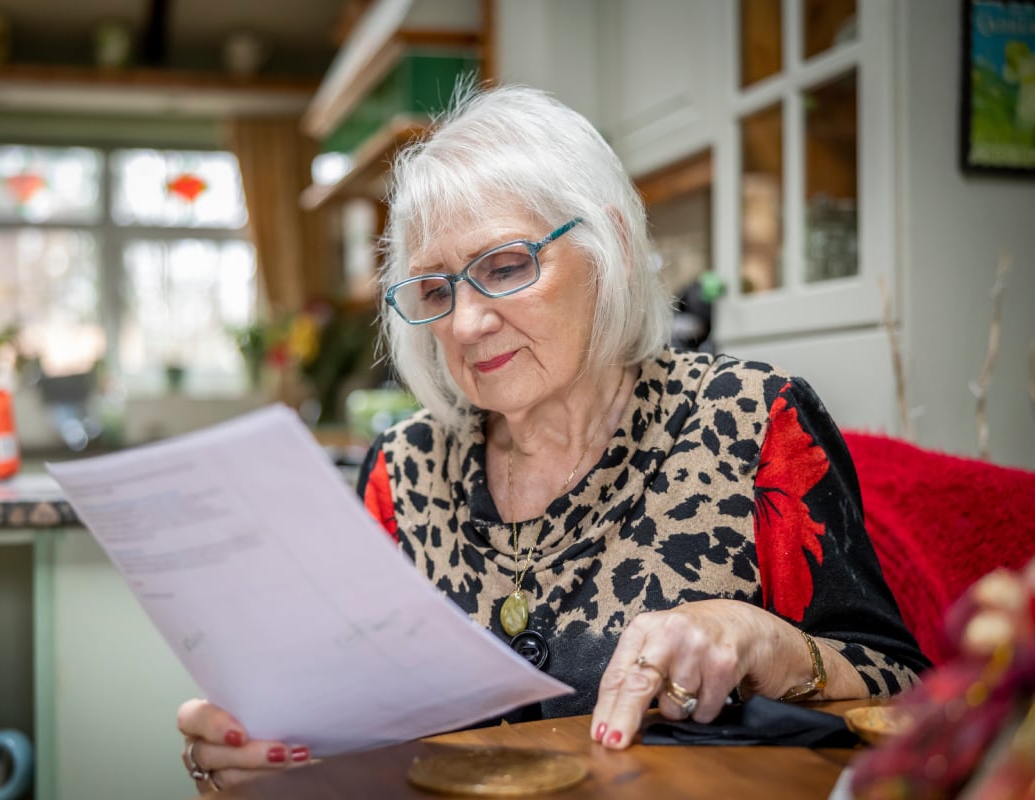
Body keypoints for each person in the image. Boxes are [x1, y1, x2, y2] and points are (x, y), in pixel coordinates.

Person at [177, 83, 929, 790]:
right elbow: (354, 717)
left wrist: (765, 640)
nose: (465, 323)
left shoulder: (750, 420)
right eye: (435, 289)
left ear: (613, 249)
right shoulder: (401, 474)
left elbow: (907, 693)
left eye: (506, 266)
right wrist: (277, 751)